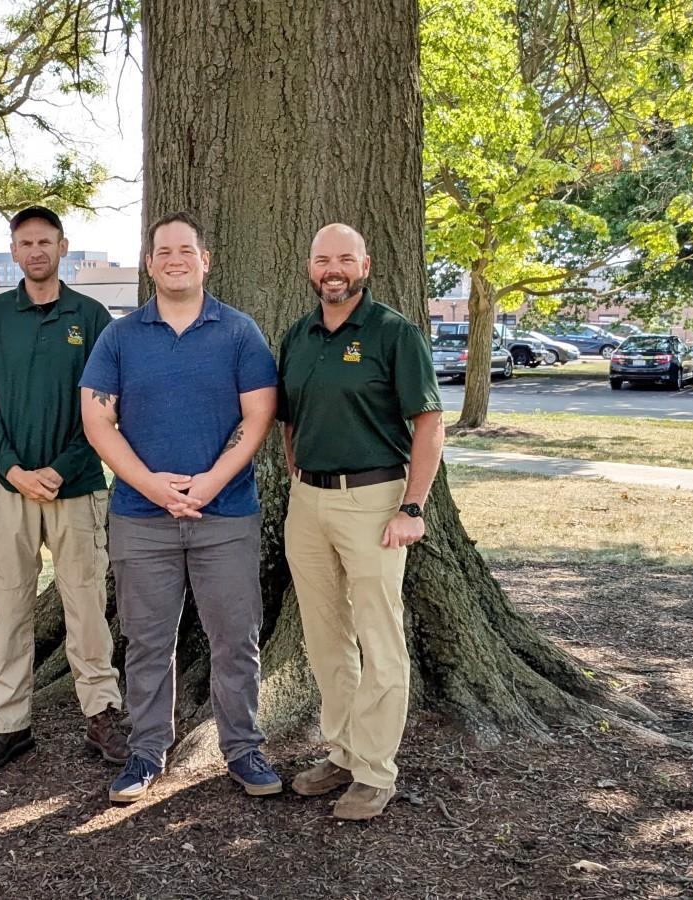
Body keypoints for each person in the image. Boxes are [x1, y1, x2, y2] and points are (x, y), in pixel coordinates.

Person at [79, 211, 283, 803]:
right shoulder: (119, 337)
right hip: (141, 519)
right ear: (149, 264)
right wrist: (150, 485)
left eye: (186, 250)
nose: (175, 259)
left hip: (226, 515)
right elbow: (98, 417)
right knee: (146, 641)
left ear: (205, 260)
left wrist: (211, 483)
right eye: (163, 251)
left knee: (236, 638)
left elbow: (260, 414)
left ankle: (243, 749)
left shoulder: (239, 332)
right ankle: (146, 753)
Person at [276, 223, 444, 821]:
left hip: (375, 502)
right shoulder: (298, 335)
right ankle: (344, 752)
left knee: (379, 639)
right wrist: (300, 478)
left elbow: (428, 424)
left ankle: (376, 771)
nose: (333, 270)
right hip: (308, 503)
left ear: (365, 265)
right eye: (322, 260)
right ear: (310, 267)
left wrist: (412, 507)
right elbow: (289, 420)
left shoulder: (394, 333)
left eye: (344, 259)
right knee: (325, 639)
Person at [0, 206, 127, 771]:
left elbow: (107, 407)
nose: (36, 251)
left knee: (86, 606)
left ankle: (101, 716)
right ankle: (9, 725)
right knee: (9, 607)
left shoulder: (93, 316)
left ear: (63, 248)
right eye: (26, 242)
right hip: (7, 489)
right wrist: (14, 470)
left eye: (46, 242)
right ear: (13, 251)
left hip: (76, 487)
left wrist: (61, 466)